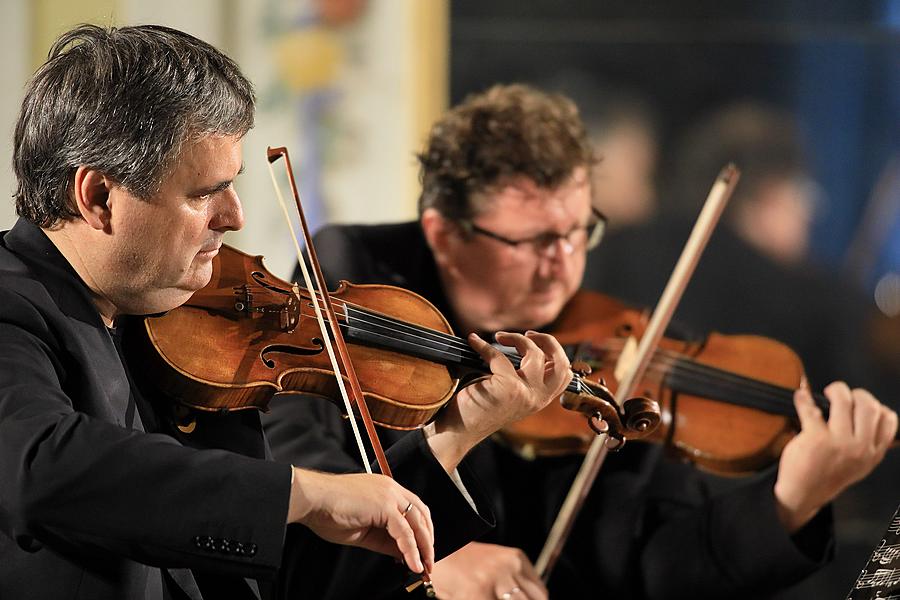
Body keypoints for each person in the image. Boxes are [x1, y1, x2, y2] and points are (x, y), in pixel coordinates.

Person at [0, 26, 574, 600]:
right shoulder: (12, 303)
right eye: (204, 192)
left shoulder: (184, 331)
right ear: (99, 197)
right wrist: (306, 492)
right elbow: (40, 468)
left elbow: (295, 580)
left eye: (233, 186)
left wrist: (454, 432)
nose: (234, 216)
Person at [262, 84, 898, 599]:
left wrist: (793, 498)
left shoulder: (618, 346)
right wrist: (429, 555)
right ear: (445, 234)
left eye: (578, 231)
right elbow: (296, 450)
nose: (562, 265)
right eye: (535, 240)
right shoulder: (362, 271)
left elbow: (656, 566)